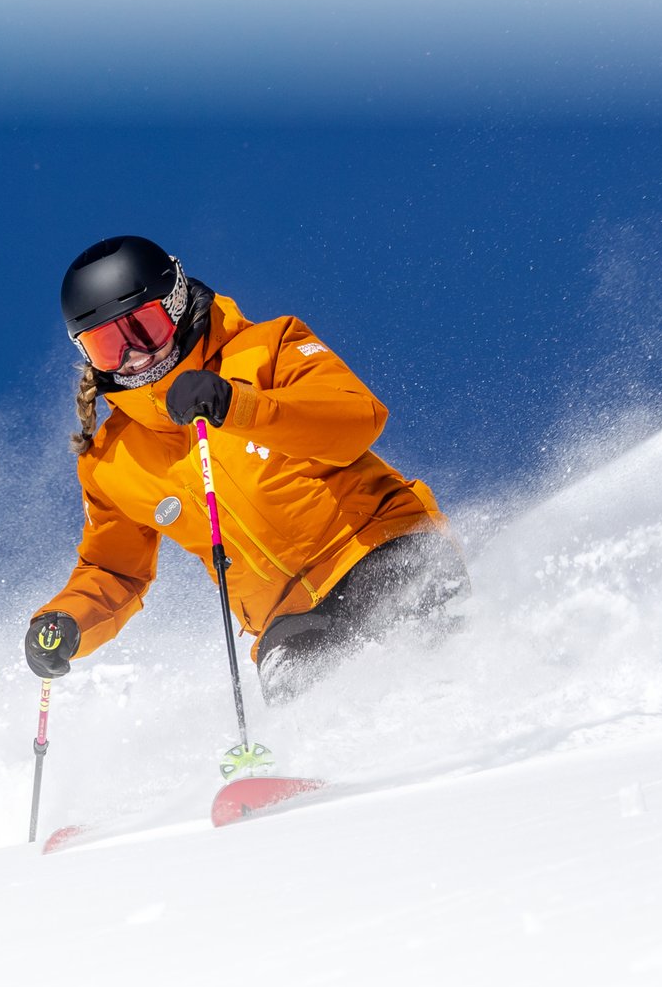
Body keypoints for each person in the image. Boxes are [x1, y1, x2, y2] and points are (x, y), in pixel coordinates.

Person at [24, 235, 466, 701]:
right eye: (107, 345)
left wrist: (238, 407)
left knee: (439, 671)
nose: (134, 356)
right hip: (286, 620)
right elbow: (114, 569)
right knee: (314, 722)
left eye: (144, 329)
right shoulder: (110, 461)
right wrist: (69, 618)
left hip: (378, 549)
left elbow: (355, 419)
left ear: (174, 305)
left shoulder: (267, 349)